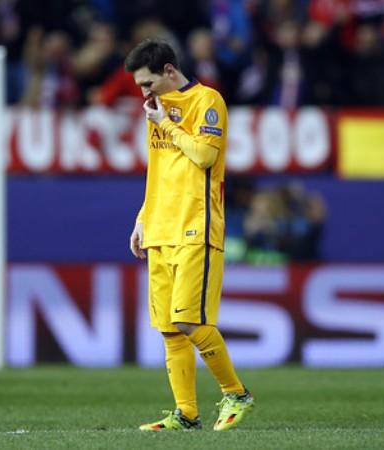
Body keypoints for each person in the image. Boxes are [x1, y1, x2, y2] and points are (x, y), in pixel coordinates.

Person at [125, 39, 254, 431]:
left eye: (147, 83)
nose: (143, 93)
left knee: (190, 322)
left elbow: (205, 156)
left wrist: (166, 123)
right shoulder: (156, 108)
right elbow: (161, 169)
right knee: (170, 329)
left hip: (195, 227)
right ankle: (187, 413)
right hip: (160, 227)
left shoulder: (206, 100)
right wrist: (143, 217)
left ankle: (236, 393)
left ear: (169, 70)